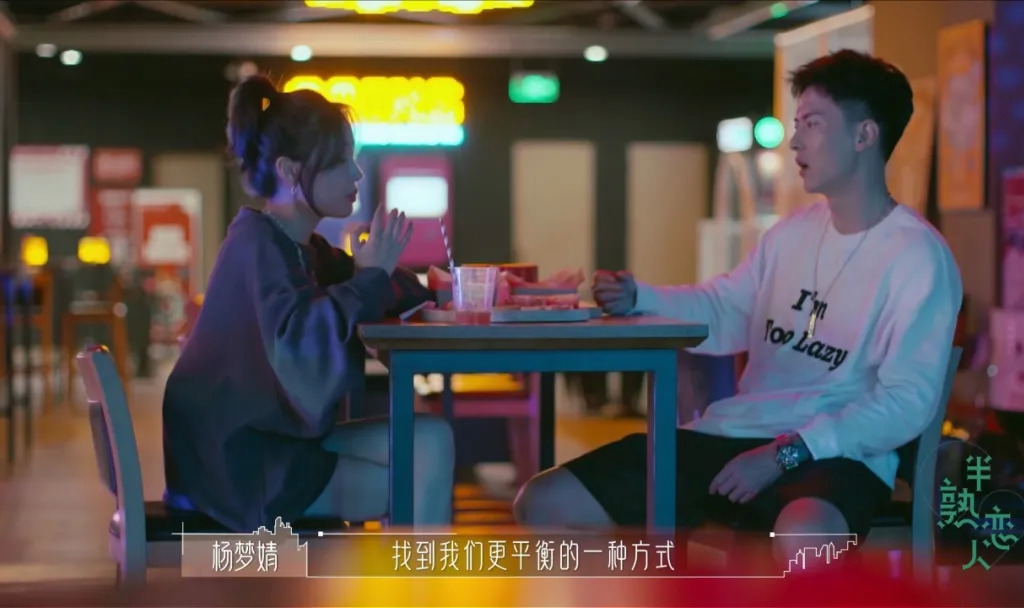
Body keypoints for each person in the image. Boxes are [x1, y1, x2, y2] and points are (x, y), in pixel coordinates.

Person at [514, 50, 963, 562]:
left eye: (813, 124)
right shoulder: (791, 235)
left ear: (864, 135)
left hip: (834, 452)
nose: (795, 141)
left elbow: (907, 402)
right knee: (544, 502)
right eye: (797, 124)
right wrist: (640, 298)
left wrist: (786, 453)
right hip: (732, 435)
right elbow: (725, 310)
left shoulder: (917, 256)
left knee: (805, 538)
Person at [162, 75, 454, 533]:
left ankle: (414, 574)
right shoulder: (258, 247)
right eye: (340, 162)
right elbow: (303, 343)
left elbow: (359, 282)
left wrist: (446, 291)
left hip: (265, 445)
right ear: (289, 171)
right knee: (418, 477)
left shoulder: (293, 245)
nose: (356, 175)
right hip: (243, 471)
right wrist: (371, 277)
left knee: (432, 438)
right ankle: (416, 577)